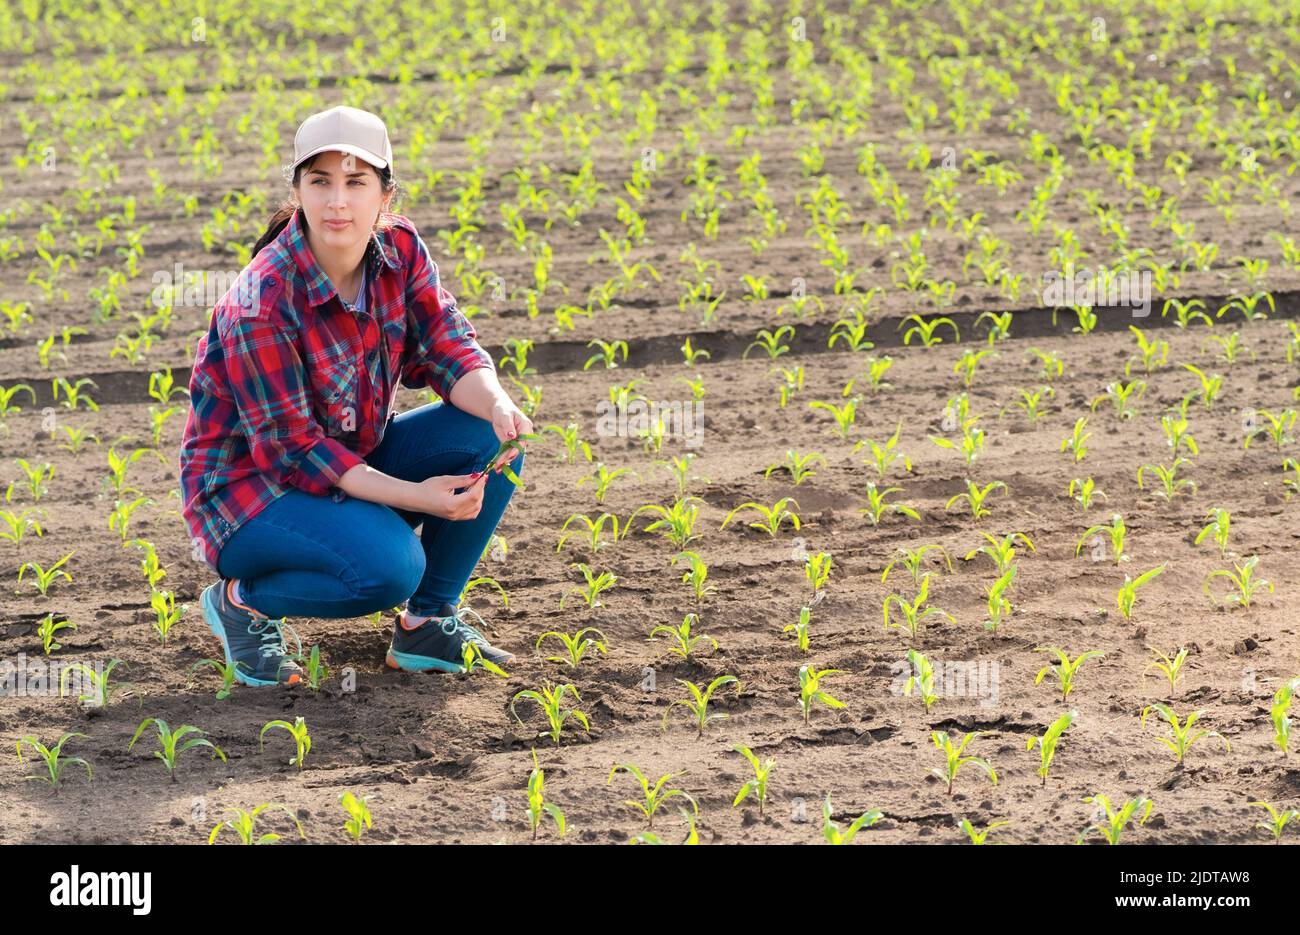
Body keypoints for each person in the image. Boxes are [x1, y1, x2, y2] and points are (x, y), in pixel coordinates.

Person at [178, 104, 531, 685]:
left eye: (355, 182)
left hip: (349, 465)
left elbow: (446, 344)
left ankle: (427, 625)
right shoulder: (261, 301)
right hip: (248, 499)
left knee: (485, 433)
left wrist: (496, 401)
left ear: (385, 195)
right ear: (298, 190)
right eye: (320, 182)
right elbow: (296, 452)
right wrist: (420, 497)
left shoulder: (399, 251)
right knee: (389, 569)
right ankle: (242, 602)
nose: (337, 202)